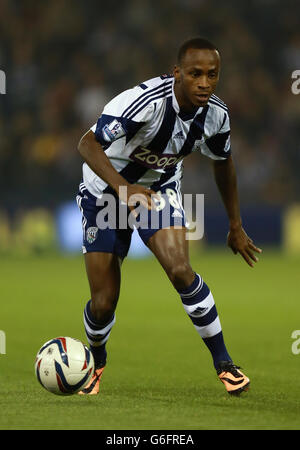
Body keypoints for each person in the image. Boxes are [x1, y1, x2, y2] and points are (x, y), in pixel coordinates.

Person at [76, 37, 262, 396]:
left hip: (158, 191)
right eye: (195, 74)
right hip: (104, 191)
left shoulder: (217, 115)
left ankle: (224, 363)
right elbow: (87, 143)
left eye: (212, 75)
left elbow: (224, 163)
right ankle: (96, 363)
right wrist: (123, 189)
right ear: (177, 73)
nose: (204, 83)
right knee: (102, 303)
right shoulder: (143, 104)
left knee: (180, 269)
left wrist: (235, 225)